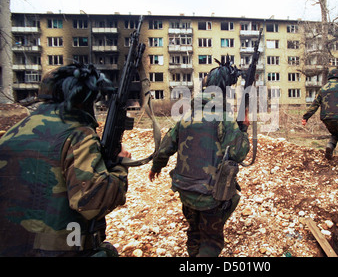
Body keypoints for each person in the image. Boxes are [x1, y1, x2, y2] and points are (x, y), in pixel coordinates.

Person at [0, 63, 131, 257]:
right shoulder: (77, 134)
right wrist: (120, 166)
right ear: (81, 97)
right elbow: (92, 203)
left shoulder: (9, 135)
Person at [149, 61, 250, 257]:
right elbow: (239, 153)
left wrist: (156, 167)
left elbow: (165, 148)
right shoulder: (224, 118)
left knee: (194, 232)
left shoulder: (187, 116)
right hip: (211, 197)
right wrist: (243, 128)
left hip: (185, 192)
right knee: (211, 241)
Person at [302, 67, 338, 177]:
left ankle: (330, 146)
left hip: (326, 119)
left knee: (335, 133)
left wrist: (305, 117)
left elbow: (314, 105)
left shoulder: (323, 89)